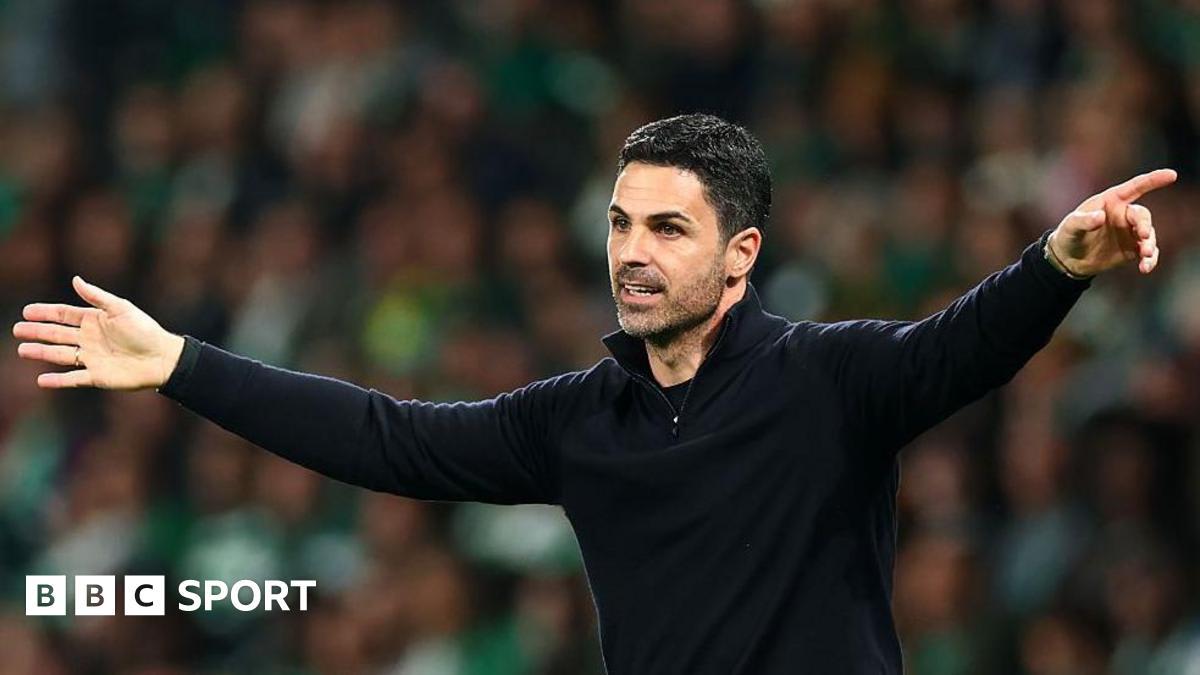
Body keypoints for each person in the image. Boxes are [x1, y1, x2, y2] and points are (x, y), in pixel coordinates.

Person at [11, 114, 1175, 674]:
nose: (632, 252)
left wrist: (1058, 263)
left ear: (741, 254)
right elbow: (385, 438)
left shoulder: (830, 378)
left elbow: (963, 349)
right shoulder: (576, 422)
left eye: (668, 228)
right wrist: (183, 364)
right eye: (621, 224)